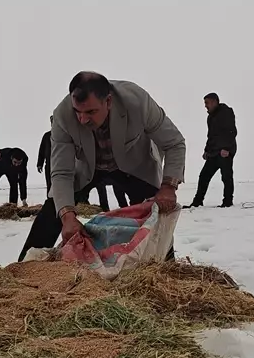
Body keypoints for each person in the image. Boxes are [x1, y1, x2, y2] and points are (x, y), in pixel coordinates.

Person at [18, 72, 185, 262]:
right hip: (89, 169)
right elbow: (62, 172)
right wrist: (67, 216)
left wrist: (168, 186)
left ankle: (166, 270)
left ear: (108, 101)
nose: (82, 119)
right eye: (77, 112)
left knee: (156, 212)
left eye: (90, 112)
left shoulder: (137, 102)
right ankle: (23, 270)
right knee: (53, 211)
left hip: (134, 167)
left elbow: (174, 143)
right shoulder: (63, 116)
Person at [41, 123, 122, 210]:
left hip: (115, 166)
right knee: (66, 187)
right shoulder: (49, 134)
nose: (83, 118)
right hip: (60, 166)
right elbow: (43, 151)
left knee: (110, 188)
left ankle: (112, 207)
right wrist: (40, 162)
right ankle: (81, 204)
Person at [187, 92, 238, 208]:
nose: (205, 106)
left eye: (207, 103)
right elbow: (211, 136)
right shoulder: (210, 117)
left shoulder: (226, 112)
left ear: (215, 102)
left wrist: (226, 149)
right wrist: (206, 150)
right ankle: (197, 202)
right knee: (204, 175)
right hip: (214, 152)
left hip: (225, 152)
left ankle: (227, 202)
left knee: (226, 176)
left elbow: (231, 131)